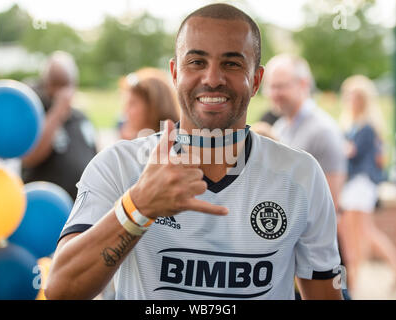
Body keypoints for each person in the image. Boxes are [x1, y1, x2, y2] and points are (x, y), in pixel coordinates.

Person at [46, 4, 343, 300]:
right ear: (175, 72)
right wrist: (138, 207)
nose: (212, 78)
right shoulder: (119, 165)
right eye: (197, 62)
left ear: (255, 80)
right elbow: (61, 288)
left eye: (232, 64)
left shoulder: (300, 175)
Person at [260, 54, 351, 298]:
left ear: (303, 85)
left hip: (316, 253)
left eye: (280, 86)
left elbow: (330, 203)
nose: (273, 93)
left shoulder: (322, 130)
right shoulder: (282, 126)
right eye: (270, 86)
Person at [338, 74, 396, 294]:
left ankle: (354, 280)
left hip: (360, 185)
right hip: (353, 185)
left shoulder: (367, 128)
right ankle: (354, 277)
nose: (351, 99)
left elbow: (351, 154)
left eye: (356, 96)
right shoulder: (352, 124)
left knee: (361, 232)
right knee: (359, 232)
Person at [22, 51, 98, 200]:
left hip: (80, 207)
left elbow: (95, 156)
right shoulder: (37, 113)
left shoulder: (81, 118)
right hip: (46, 207)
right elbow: (30, 157)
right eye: (56, 84)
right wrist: (57, 112)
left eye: (66, 84)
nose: (63, 92)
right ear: (46, 84)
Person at [118, 67, 180, 140]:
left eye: (132, 104)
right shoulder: (136, 140)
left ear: (153, 106)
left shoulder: (177, 143)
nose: (125, 111)